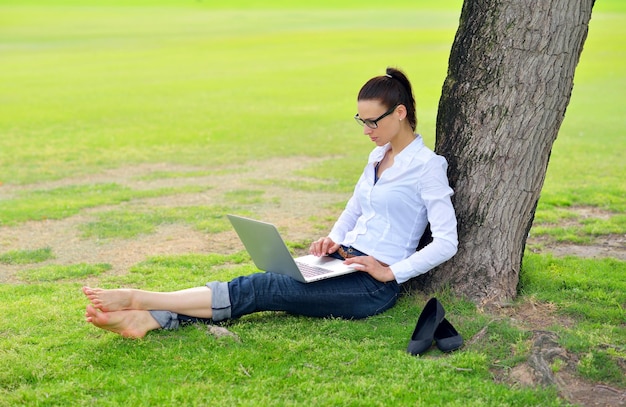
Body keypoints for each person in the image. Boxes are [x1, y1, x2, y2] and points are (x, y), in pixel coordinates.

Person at [82, 67, 458, 338]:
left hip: (371, 287)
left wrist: (389, 272)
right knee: (268, 283)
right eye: (360, 120)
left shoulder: (427, 167)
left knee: (262, 288)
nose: (365, 130)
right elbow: (354, 209)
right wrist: (332, 240)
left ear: (400, 113)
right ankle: (149, 319)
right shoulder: (377, 158)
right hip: (340, 262)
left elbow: (446, 242)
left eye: (372, 122)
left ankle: (138, 300)